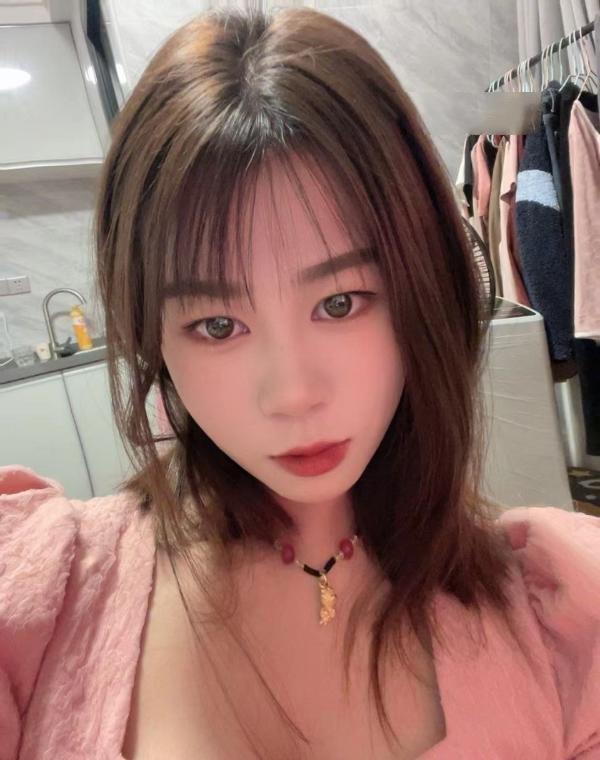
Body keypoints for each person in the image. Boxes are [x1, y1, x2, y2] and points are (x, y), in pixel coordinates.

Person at [1, 5, 599, 760]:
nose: (291, 395)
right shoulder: (37, 593)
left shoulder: (563, 615)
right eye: (217, 324)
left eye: (339, 303)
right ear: (153, 332)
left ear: (424, 292)